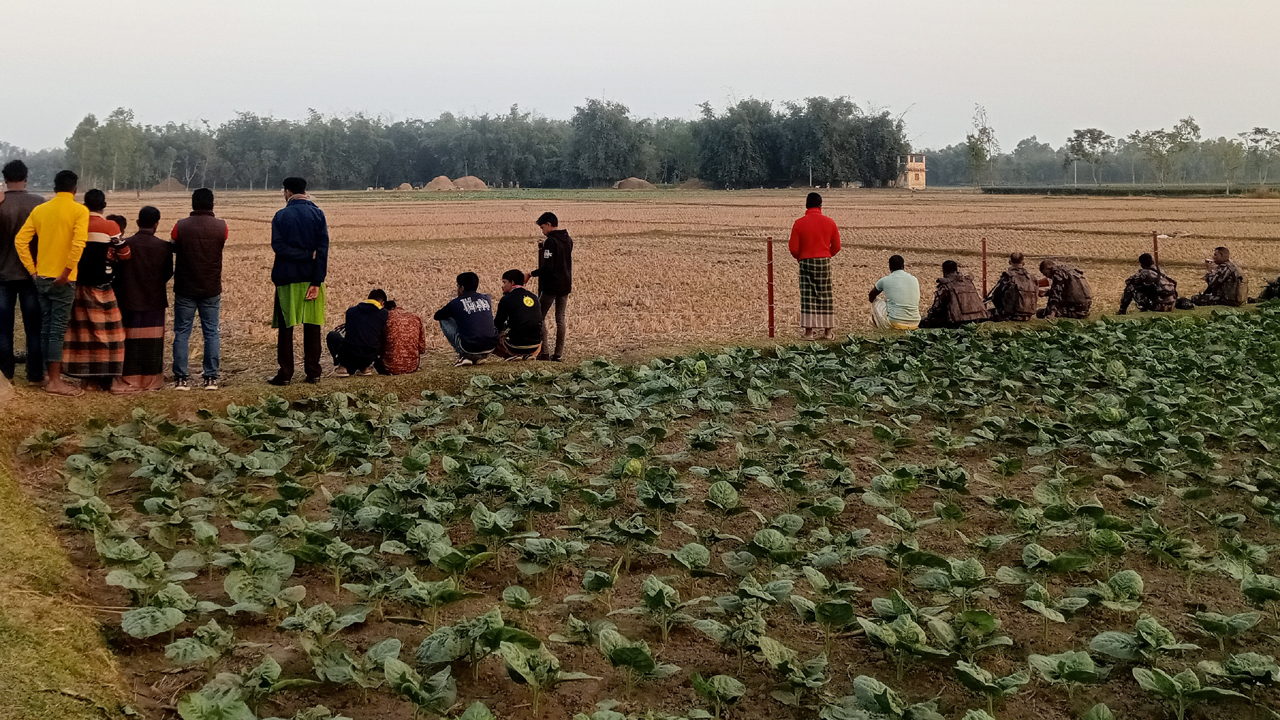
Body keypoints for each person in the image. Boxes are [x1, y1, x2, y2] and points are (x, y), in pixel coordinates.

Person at [14, 170, 87, 395]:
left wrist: (33, 271)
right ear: (74, 189)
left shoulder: (41, 210)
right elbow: (78, 244)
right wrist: (66, 272)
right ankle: (55, 381)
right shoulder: (79, 211)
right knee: (57, 330)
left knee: (46, 327)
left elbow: (20, 241)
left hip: (42, 277)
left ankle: (47, 376)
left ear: (55, 188)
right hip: (63, 280)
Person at [61, 189, 135, 393]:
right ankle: (113, 380)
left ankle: (88, 381)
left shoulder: (77, 224)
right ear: (103, 206)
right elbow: (125, 254)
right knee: (112, 334)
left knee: (83, 334)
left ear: (85, 205)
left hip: (77, 285)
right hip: (101, 286)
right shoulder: (110, 226)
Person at [269, 177, 329, 385]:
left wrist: (301, 255)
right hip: (311, 279)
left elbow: (278, 247)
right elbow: (322, 251)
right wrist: (317, 281)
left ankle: (285, 374)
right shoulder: (318, 214)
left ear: (287, 192)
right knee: (312, 326)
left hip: (287, 279)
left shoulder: (280, 216)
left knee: (286, 328)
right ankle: (313, 372)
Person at [171, 188, 228, 390]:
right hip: (211, 287)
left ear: (193, 203)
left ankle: (181, 378)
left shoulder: (180, 226)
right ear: (212, 204)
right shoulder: (221, 227)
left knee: (182, 332)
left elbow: (173, 245)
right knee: (211, 332)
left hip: (185, 287)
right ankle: (211, 378)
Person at [113, 206, 172, 390]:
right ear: (157, 224)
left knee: (128, 341)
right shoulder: (164, 247)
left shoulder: (125, 245)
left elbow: (117, 272)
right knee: (152, 344)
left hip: (127, 300)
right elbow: (168, 273)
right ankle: (151, 381)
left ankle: (128, 379)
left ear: (138, 222)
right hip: (154, 301)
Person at [0, 160, 45, 384]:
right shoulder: (39, 203)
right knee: (34, 328)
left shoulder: (1, 203)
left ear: (5, 179)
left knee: (3, 329)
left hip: (2, 275)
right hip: (32, 275)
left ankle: (5, 373)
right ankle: (35, 374)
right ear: (26, 178)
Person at [788, 192, 842, 340]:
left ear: (806, 205)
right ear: (820, 205)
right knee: (826, 294)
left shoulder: (799, 223)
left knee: (808, 296)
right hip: (824, 260)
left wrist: (800, 258)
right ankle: (828, 332)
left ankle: (809, 333)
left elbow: (793, 248)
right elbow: (837, 246)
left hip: (805, 261)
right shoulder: (830, 222)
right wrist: (827, 254)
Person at [525, 211, 572, 361]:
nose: (542, 231)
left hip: (551, 286)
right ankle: (558, 353)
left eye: (542, 227)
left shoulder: (551, 242)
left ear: (549, 224)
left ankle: (543, 351)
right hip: (565, 284)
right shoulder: (568, 239)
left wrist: (531, 274)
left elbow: (548, 268)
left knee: (539, 316)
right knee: (560, 318)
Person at [434, 271, 497, 366]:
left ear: (462, 288)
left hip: (468, 349)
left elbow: (437, 316)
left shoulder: (455, 303)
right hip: (490, 347)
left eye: (458, 286)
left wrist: (456, 315)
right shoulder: (486, 298)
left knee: (444, 319)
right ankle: (479, 358)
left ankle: (464, 356)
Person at [328, 289, 389, 377]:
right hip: (369, 357)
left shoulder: (351, 311)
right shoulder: (384, 314)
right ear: (382, 303)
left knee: (332, 335)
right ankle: (365, 368)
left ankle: (342, 367)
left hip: (348, 354)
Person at [919, 260, 988, 329]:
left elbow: (937, 307)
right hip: (979, 319)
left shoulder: (945, 285)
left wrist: (929, 316)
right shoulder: (968, 282)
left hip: (958, 322)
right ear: (956, 269)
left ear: (944, 271)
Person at [493, 269, 543, 360]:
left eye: (504, 282)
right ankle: (530, 354)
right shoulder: (534, 297)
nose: (502, 286)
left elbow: (498, 324)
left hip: (515, 345)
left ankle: (512, 355)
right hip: (536, 345)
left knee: (493, 338)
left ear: (512, 283)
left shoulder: (506, 299)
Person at [869, 255, 920, 330]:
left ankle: (879, 330)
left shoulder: (885, 280)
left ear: (890, 267)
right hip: (915, 322)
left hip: (895, 322)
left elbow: (871, 296)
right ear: (903, 266)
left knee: (876, 302)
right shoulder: (914, 279)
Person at [987, 252, 1039, 321]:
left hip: (1011, 315)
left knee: (986, 314)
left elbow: (996, 297)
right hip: (1028, 315)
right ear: (1023, 263)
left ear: (1009, 262)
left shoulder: (1008, 277)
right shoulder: (1032, 278)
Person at [379, 300, 426, 375]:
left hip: (389, 367)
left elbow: (378, 345)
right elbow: (422, 348)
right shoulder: (415, 317)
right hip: (412, 366)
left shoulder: (386, 318)